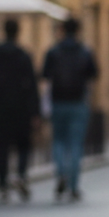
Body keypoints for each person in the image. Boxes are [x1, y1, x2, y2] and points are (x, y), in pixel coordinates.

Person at [0, 18, 40, 202]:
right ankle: (21, 175)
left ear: (3, 31)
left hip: (0, 107)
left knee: (1, 146)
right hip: (21, 108)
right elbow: (32, 86)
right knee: (23, 145)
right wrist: (35, 112)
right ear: (18, 32)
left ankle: (3, 184)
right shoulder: (24, 55)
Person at [41, 17, 98, 201]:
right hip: (78, 103)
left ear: (62, 30)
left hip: (58, 102)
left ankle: (61, 174)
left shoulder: (53, 51)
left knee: (58, 141)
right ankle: (73, 185)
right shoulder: (84, 51)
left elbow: (44, 74)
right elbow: (94, 74)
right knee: (75, 145)